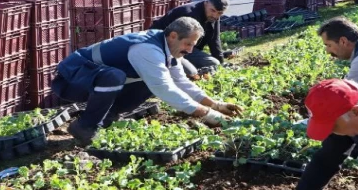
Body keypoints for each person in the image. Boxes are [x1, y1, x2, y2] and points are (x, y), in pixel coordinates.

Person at [52, 17, 244, 145]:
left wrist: (216, 105)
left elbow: (180, 82)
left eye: (193, 45)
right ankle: (85, 126)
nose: (190, 50)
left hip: (94, 80)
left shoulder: (168, 49)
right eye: (188, 44)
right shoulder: (147, 49)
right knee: (117, 77)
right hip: (71, 80)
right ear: (174, 36)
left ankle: (107, 116)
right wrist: (207, 114)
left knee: (148, 80)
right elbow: (164, 89)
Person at [150, 0, 228, 78]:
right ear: (206, 3)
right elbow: (179, 44)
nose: (215, 15)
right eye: (212, 10)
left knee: (215, 63)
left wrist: (221, 64)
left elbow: (214, 40)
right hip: (165, 45)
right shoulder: (190, 14)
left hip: (185, 46)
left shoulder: (214, 17)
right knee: (201, 68)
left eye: (219, 13)